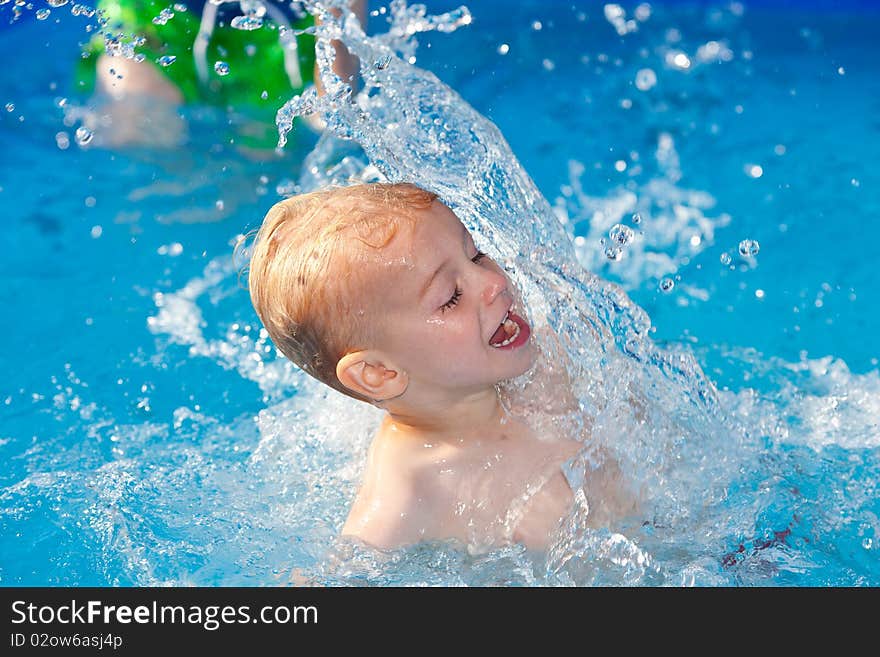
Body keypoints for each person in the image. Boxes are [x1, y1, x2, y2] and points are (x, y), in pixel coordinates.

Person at [244, 182, 638, 552]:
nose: (492, 282)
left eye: (475, 254)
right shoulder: (409, 493)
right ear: (379, 373)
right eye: (451, 297)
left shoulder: (540, 367)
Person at [76, 0, 365, 153]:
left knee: (269, 146)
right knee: (129, 121)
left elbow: (337, 88)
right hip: (165, 18)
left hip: (283, 36)